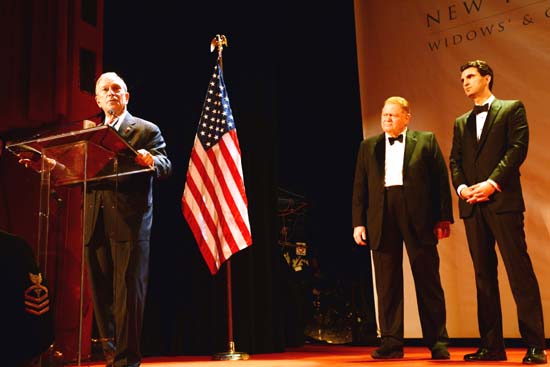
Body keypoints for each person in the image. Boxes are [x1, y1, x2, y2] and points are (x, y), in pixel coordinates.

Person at [449, 60, 546, 364]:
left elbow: (517, 148)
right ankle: (492, 346)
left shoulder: (511, 108)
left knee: (519, 272)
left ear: (487, 78)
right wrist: (462, 188)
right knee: (483, 277)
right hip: (473, 205)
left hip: (502, 202)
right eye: (462, 78)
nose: (464, 82)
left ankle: (535, 346)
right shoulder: (460, 121)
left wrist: (491, 183)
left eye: (470, 77)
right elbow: (455, 160)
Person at [352, 96, 453, 360]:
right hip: (381, 216)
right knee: (387, 284)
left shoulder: (426, 140)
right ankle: (391, 342)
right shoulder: (368, 146)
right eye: (385, 114)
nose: (387, 119)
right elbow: (360, 188)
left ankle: (437, 341)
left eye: (393, 115)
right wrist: (358, 222)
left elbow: (441, 182)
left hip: (418, 217)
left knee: (428, 280)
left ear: (407, 117)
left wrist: (443, 218)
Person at [82, 72, 172, 367]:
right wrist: (51, 164)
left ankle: (127, 361)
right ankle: (112, 356)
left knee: (127, 295)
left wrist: (151, 160)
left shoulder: (145, 130)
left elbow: (165, 164)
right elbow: (80, 171)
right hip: (96, 222)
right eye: (105, 90)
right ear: (97, 99)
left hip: (129, 223)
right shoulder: (91, 134)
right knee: (102, 295)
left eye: (116, 89)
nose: (111, 93)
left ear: (126, 96)